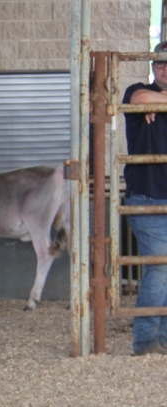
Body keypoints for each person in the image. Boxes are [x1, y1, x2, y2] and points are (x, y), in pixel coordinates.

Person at [122, 40, 167, 356]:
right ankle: (146, 341)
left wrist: (160, 103)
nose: (164, 69)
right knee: (161, 267)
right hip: (147, 197)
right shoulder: (138, 91)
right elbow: (137, 98)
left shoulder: (155, 100)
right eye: (160, 63)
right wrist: (153, 101)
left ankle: (161, 339)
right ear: (152, 67)